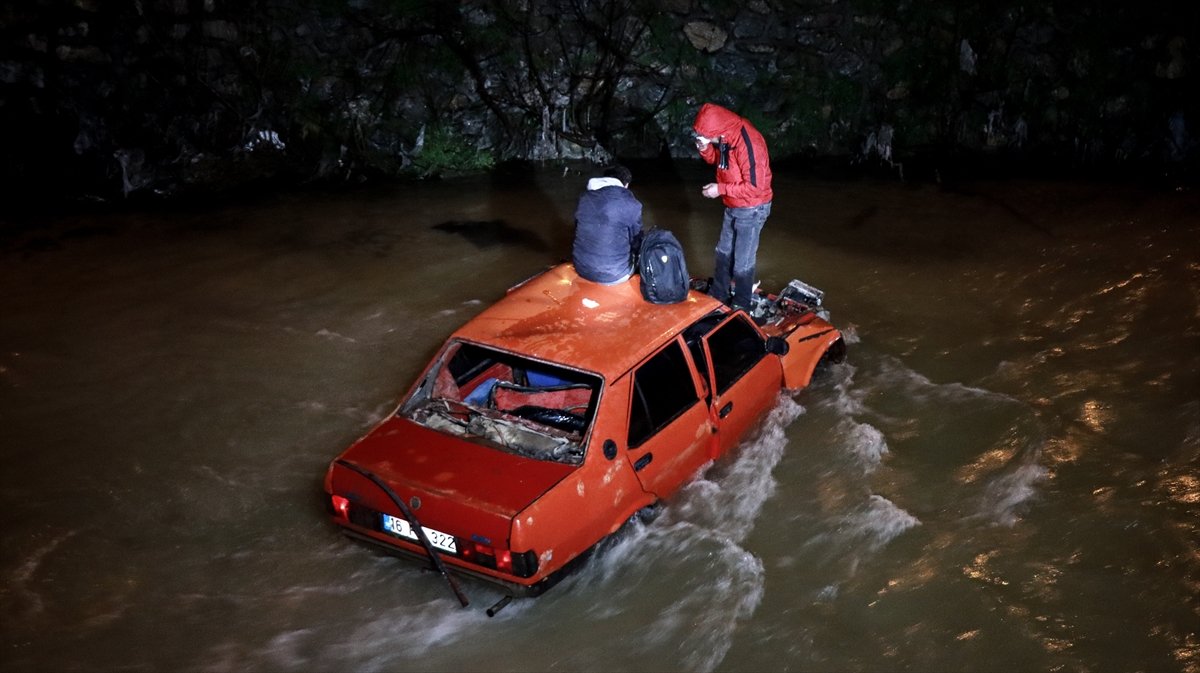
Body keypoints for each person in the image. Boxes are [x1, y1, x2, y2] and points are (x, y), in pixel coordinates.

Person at [692, 102, 774, 311]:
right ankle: (719, 294)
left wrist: (720, 189)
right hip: (733, 203)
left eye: (705, 136)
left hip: (753, 207)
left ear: (716, 130)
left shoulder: (748, 142)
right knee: (722, 251)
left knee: (743, 262)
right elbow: (720, 162)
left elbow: (755, 187)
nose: (702, 137)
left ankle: (741, 305)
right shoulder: (725, 135)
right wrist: (705, 148)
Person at [572, 164, 644, 284]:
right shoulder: (631, 204)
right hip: (615, 274)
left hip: (581, 267)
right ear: (625, 185)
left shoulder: (584, 198)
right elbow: (636, 240)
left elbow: (577, 228)